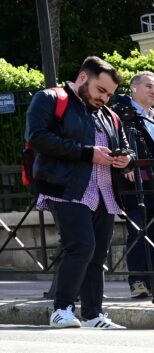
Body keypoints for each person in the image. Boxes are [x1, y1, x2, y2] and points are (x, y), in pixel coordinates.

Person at [26, 56, 134, 329]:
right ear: (84, 78)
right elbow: (36, 136)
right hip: (67, 188)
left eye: (109, 94)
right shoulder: (51, 98)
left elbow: (125, 147)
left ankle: (93, 314)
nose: (105, 98)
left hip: (104, 192)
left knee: (97, 254)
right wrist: (87, 154)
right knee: (81, 245)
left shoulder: (109, 115)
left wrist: (126, 159)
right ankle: (61, 309)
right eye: (101, 90)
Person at [114, 71, 154, 300]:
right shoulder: (120, 113)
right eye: (149, 86)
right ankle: (138, 281)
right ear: (133, 88)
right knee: (138, 230)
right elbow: (115, 143)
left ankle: (153, 279)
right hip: (132, 183)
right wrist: (125, 167)